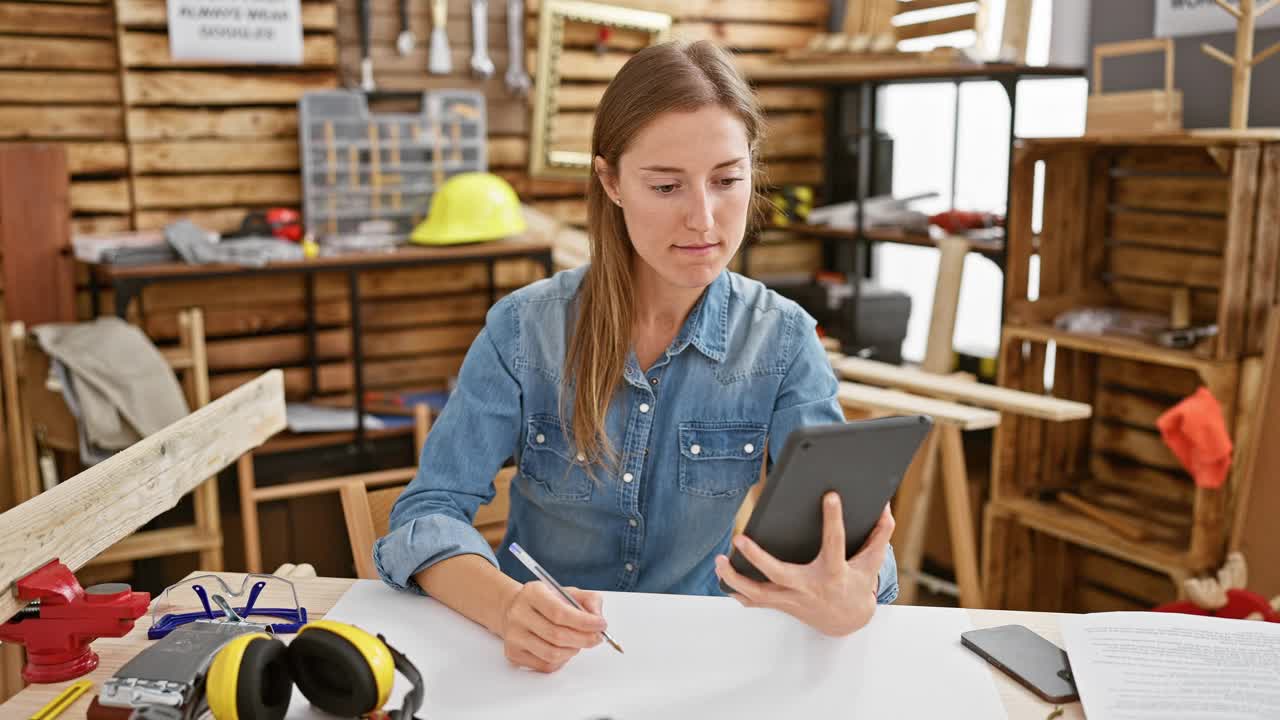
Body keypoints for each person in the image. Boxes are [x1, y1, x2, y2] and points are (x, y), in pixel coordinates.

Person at [374, 39, 898, 674]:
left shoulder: (783, 341)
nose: (704, 218)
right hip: (535, 668)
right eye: (667, 185)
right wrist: (507, 607)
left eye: (728, 180)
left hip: (695, 663)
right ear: (612, 181)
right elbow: (428, 511)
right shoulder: (523, 330)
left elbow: (850, 545)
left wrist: (852, 600)